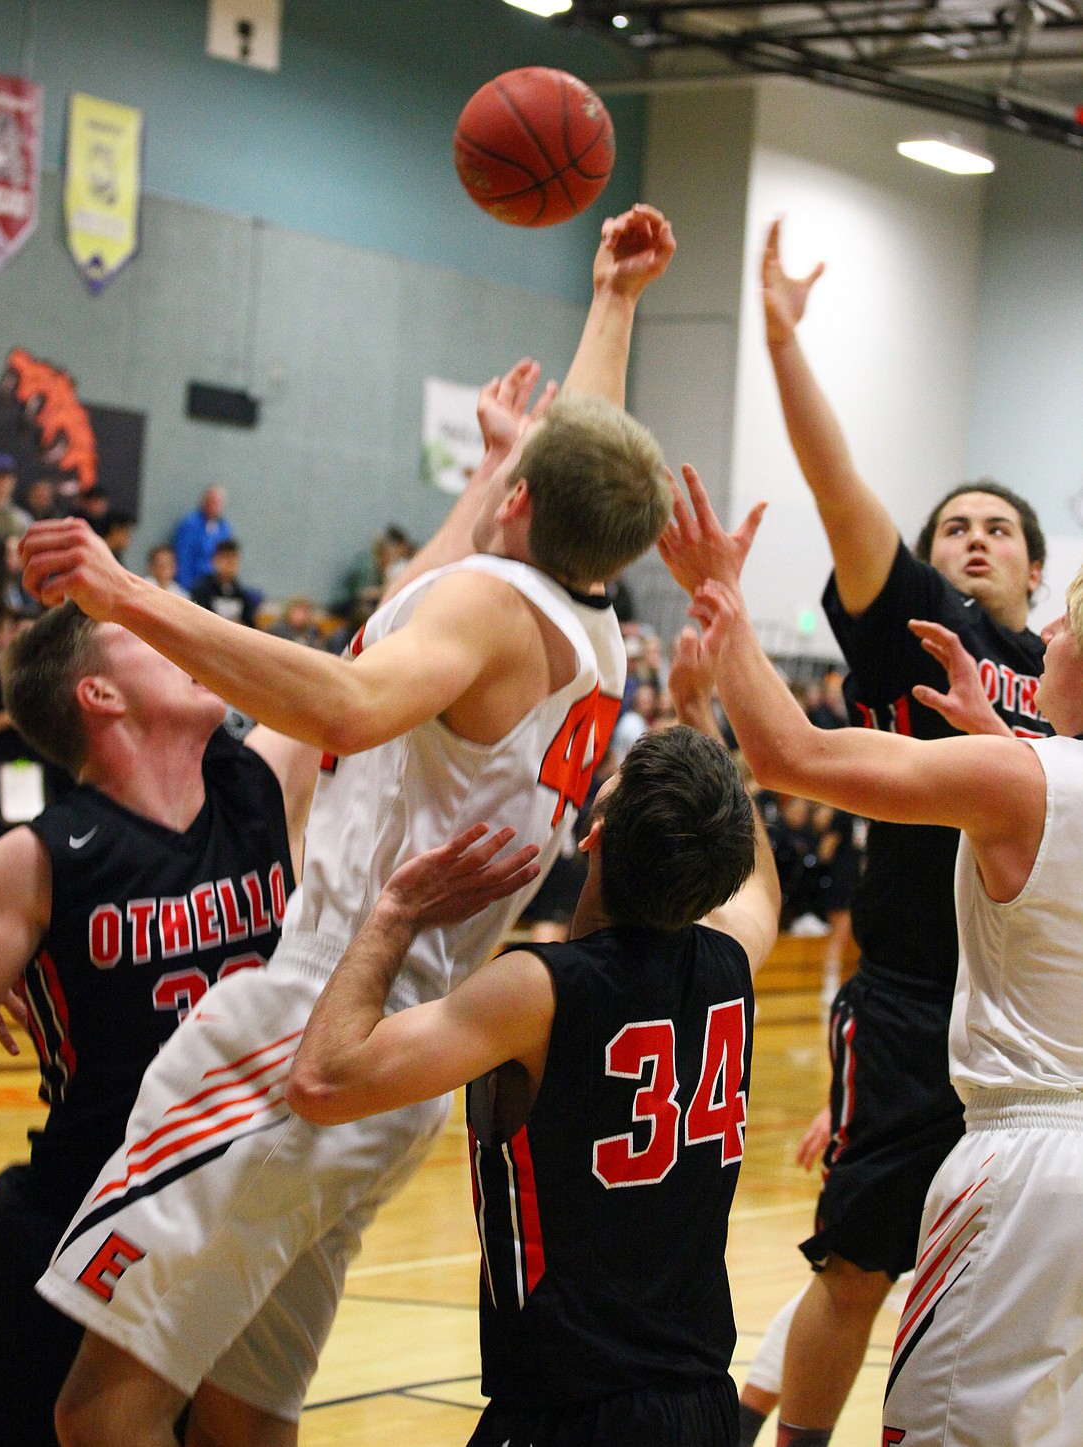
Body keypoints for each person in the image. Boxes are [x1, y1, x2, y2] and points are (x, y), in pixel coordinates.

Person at [16, 203, 677, 1447]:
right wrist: (615, 301)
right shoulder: (589, 631)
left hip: (303, 1020)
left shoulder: (483, 608)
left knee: (100, 1413)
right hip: (396, 1056)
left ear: (523, 499)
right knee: (243, 1414)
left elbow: (349, 700)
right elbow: (580, 463)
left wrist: (132, 593)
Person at [659, 461, 1083, 1447]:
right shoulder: (1015, 772)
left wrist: (722, 608)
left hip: (1025, 1157)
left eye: (1063, 634)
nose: (1047, 641)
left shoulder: (1021, 780)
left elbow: (787, 757)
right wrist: (988, 735)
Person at [749, 220, 1055, 1446]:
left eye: (998, 529)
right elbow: (840, 497)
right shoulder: (927, 631)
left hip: (1048, 1021)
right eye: (953, 528)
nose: (972, 539)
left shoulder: (1064, 672)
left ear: (1038, 565)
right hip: (922, 993)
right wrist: (783, 346)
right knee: (858, 1266)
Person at [289, 718, 780, 1447]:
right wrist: (699, 715)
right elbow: (762, 887)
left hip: (571, 1412)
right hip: (702, 1408)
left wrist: (395, 913)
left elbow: (321, 1081)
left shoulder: (536, 993)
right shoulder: (732, 959)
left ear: (594, 837)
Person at [0, 600, 318, 1447]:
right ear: (98, 693)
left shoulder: (256, 785)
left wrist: (492, 487)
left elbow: (377, 647)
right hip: (79, 1214)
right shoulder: (38, 856)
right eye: (149, 634)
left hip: (222, 1208)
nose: (184, 638)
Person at [172, 484, 234, 591]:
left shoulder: (224, 528)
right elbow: (183, 557)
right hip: (193, 582)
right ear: (204, 502)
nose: (215, 506)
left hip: (214, 586)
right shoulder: (190, 524)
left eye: (218, 503)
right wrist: (186, 587)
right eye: (212, 502)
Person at [190, 538, 259, 626]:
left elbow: (251, 628)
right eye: (225, 558)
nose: (230, 564)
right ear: (214, 561)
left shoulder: (244, 596)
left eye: (234, 558)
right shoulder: (201, 592)